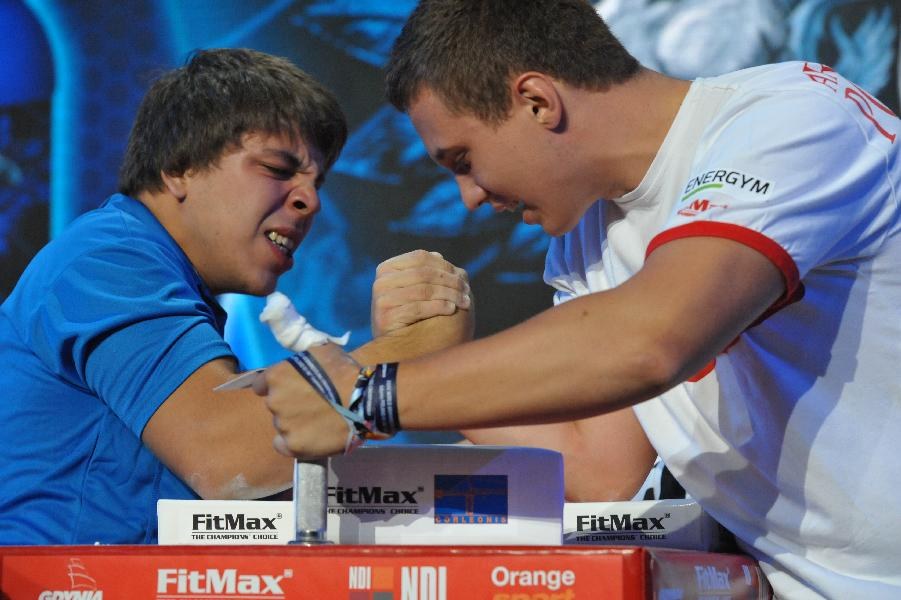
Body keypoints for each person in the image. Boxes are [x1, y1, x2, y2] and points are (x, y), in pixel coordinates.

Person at [253, 1, 901, 597]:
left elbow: (651, 341)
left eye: (463, 160)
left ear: (537, 101)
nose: (469, 197)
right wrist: (427, 358)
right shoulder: (587, 235)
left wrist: (366, 396)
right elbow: (601, 470)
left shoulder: (790, 119)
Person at [0, 48, 473, 545]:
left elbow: (271, 492)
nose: (310, 201)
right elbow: (227, 460)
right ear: (180, 166)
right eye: (278, 168)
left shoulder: (171, 289)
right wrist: (413, 354)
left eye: (317, 182)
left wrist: (490, 468)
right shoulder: (106, 262)